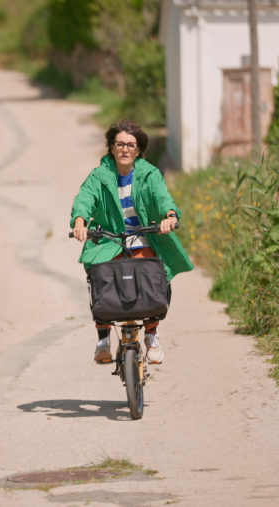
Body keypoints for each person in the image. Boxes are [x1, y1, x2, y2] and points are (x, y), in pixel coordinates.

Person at [70, 119, 193, 365]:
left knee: (152, 275)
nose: (125, 149)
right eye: (119, 144)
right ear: (112, 147)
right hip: (108, 238)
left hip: (145, 234)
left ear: (138, 150)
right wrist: (80, 221)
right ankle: (103, 338)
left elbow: (162, 197)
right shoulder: (100, 175)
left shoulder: (149, 174)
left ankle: (151, 335)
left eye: (131, 145)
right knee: (101, 276)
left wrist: (170, 216)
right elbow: (85, 197)